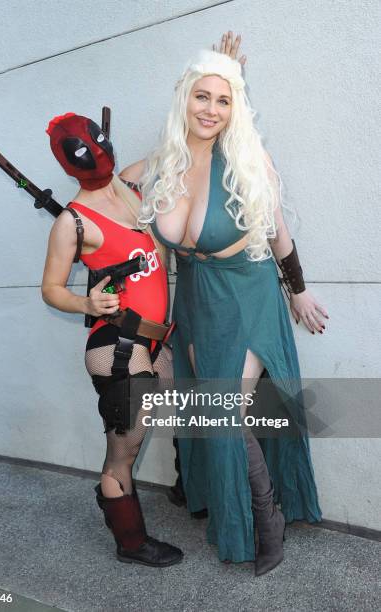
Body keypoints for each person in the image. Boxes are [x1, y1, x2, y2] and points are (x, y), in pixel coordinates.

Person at [120, 36, 328, 575]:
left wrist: (298, 290)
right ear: (183, 99)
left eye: (224, 99)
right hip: (196, 298)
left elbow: (278, 235)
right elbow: (115, 190)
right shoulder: (165, 162)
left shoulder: (246, 157)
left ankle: (267, 518)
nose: (211, 110)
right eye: (201, 96)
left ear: (236, 107)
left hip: (247, 293)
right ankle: (227, 499)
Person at [41, 112, 182, 567]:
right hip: (117, 347)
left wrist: (218, 76)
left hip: (156, 341)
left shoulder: (129, 189)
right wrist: (86, 305)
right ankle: (130, 542)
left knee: (179, 412)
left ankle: (179, 489)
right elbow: (51, 288)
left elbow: (174, 144)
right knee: (125, 448)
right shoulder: (73, 223)